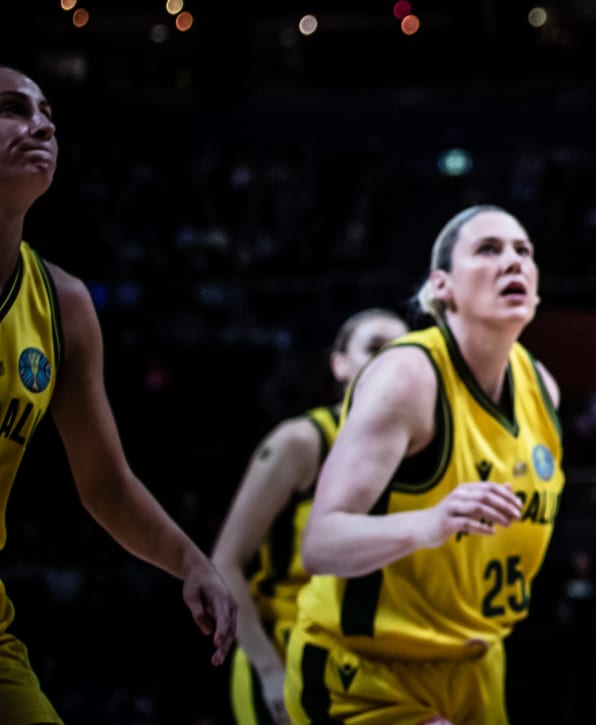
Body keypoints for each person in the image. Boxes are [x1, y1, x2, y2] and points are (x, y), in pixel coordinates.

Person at [0, 66, 237, 723]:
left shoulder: (63, 304)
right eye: (11, 109)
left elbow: (104, 482)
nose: (41, 124)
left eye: (47, 112)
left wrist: (193, 561)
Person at [289, 205, 563, 724]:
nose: (513, 263)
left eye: (523, 251)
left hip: (477, 664)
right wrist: (429, 523)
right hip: (367, 672)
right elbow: (320, 544)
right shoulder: (409, 378)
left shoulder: (542, 387)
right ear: (442, 287)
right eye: (488, 250)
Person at [209, 306, 410, 723]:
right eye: (373, 347)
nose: (387, 360)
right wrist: (267, 669)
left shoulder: (419, 455)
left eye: (401, 351)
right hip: (288, 654)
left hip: (373, 665)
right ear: (338, 364)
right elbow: (224, 562)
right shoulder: (300, 442)